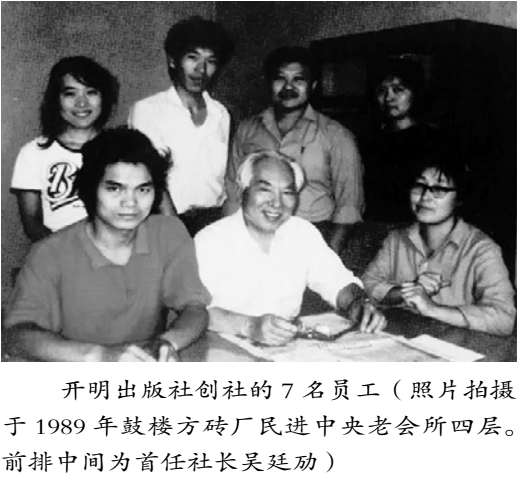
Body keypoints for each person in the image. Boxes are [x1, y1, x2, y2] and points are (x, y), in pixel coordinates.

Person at [4, 128, 210, 362]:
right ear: (91, 188)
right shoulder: (49, 253)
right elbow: (17, 335)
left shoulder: (168, 232)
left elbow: (195, 308)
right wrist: (101, 356)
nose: (130, 202)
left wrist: (165, 343)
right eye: (114, 188)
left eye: (143, 189)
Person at [196, 151, 385, 347]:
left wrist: (359, 304)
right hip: (219, 348)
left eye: (287, 193)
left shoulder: (301, 233)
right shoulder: (210, 241)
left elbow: (337, 282)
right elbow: (192, 310)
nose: (276, 203)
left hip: (284, 349)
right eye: (265, 190)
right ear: (242, 192)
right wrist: (249, 326)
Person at [223, 46, 364, 254]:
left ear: (313, 86)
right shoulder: (247, 130)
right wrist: (232, 246)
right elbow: (233, 192)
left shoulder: (337, 136)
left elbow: (349, 207)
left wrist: (325, 258)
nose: (288, 86)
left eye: (298, 79)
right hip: (254, 237)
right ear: (269, 84)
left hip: (312, 237)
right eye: (280, 78)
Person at [362, 153, 515, 336]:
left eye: (439, 189)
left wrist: (432, 309)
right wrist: (402, 292)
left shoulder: (482, 250)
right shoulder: (396, 239)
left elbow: (504, 319)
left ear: (459, 198)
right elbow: (365, 285)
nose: (425, 196)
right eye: (419, 186)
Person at [128, 16, 234, 236]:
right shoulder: (147, 110)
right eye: (192, 57)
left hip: (214, 223)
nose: (201, 69)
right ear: (173, 61)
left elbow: (223, 179)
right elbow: (151, 176)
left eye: (210, 61)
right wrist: (177, 233)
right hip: (165, 225)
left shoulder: (221, 114)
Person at [11, 56, 119, 242]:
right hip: (58, 253)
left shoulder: (123, 147)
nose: (82, 103)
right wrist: (68, 254)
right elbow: (33, 225)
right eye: (70, 94)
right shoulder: (33, 153)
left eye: (91, 92)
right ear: (56, 99)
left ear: (104, 97)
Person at [362, 57, 445, 223]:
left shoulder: (434, 139)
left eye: (398, 90)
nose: (389, 97)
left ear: (414, 93)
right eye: (381, 91)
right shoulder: (369, 141)